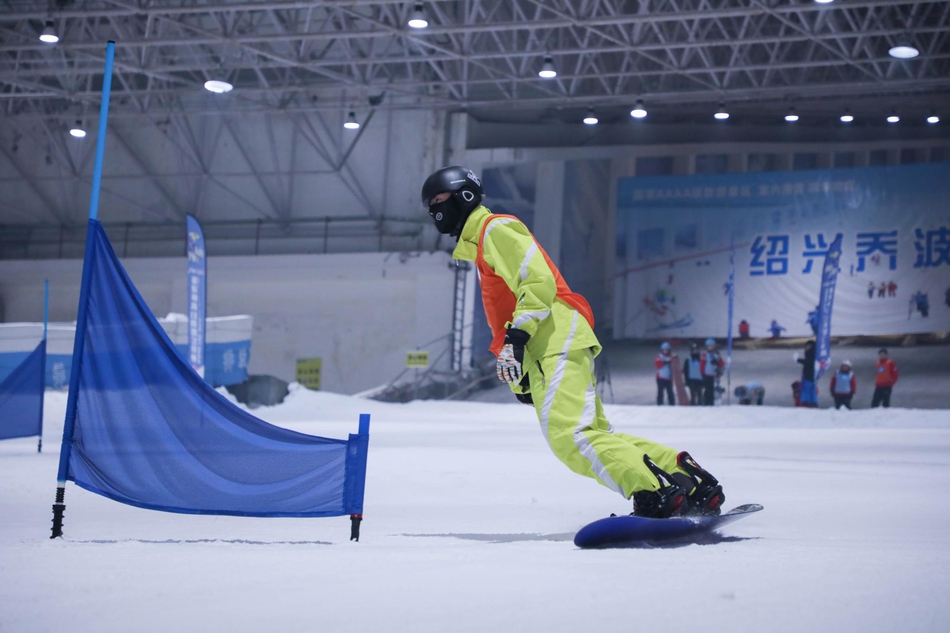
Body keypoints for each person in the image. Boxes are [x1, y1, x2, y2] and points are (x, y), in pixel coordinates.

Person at [421, 166, 724, 518]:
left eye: (440, 201)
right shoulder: (482, 244)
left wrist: (518, 339)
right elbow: (507, 309)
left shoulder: (495, 230)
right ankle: (690, 483)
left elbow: (537, 282)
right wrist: (521, 373)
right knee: (593, 433)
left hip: (552, 338)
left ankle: (653, 491)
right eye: (430, 207)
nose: (435, 212)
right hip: (549, 342)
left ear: (465, 196)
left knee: (571, 437)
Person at [699, 338, 724, 406]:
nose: (711, 347)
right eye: (710, 346)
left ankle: (711, 402)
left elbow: (721, 363)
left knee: (712, 389)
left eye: (712, 346)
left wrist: (718, 361)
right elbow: (702, 364)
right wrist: (702, 373)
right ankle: (706, 402)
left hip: (714, 374)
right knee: (707, 389)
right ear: (707, 346)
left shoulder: (716, 354)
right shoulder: (704, 354)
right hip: (707, 374)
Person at [796, 340, 818, 408]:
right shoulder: (814, 353)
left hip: (808, 375)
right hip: (813, 375)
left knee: (806, 389)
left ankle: (806, 403)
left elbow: (808, 363)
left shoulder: (810, 353)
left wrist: (798, 360)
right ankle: (813, 403)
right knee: (812, 390)